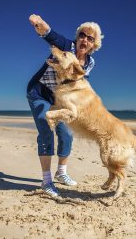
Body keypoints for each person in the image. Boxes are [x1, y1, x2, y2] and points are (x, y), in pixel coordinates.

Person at [27, 14, 103, 197]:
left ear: (94, 45)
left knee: (67, 134)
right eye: (82, 35)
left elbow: (78, 86)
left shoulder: (90, 63)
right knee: (45, 126)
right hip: (40, 93)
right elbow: (50, 34)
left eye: (90, 38)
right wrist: (41, 25)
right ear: (77, 38)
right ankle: (46, 181)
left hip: (61, 101)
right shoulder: (65, 46)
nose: (84, 40)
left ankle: (61, 173)